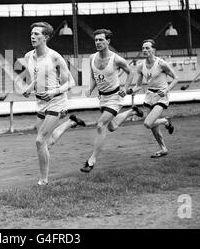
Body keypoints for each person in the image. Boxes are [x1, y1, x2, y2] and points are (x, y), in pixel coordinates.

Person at [21, 22, 86, 186]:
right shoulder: (29, 56)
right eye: (32, 33)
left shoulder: (55, 57)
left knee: (39, 141)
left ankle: (43, 180)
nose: (33, 36)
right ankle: (70, 123)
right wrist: (28, 88)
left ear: (46, 37)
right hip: (40, 103)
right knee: (46, 142)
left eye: (37, 34)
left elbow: (71, 82)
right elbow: (37, 77)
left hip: (56, 101)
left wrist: (53, 92)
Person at [80, 29, 143, 173]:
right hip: (102, 98)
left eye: (101, 40)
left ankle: (91, 160)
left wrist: (125, 88)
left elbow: (131, 72)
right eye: (96, 40)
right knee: (112, 126)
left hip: (115, 97)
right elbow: (94, 76)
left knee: (101, 124)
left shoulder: (117, 59)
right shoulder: (92, 58)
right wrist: (90, 88)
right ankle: (132, 111)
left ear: (108, 41)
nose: (98, 43)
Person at [129, 39, 178, 158]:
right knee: (154, 128)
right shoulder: (140, 66)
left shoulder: (161, 64)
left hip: (161, 96)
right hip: (149, 96)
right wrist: (128, 91)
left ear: (153, 50)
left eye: (147, 48)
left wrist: (166, 90)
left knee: (148, 123)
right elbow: (138, 86)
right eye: (143, 48)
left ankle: (166, 121)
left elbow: (176, 78)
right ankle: (163, 149)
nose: (144, 50)